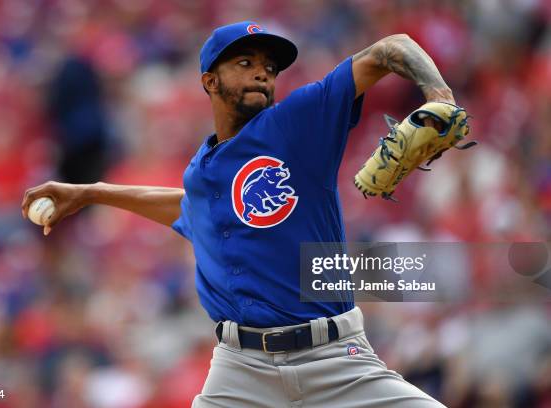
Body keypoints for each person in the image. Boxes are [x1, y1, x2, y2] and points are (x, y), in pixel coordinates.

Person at [22, 21, 451, 407]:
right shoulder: (203, 171)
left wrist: (438, 94)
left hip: (336, 361)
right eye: (245, 62)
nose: (262, 72)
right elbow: (191, 209)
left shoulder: (296, 124)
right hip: (241, 373)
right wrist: (92, 192)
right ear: (210, 81)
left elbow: (390, 48)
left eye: (269, 66)